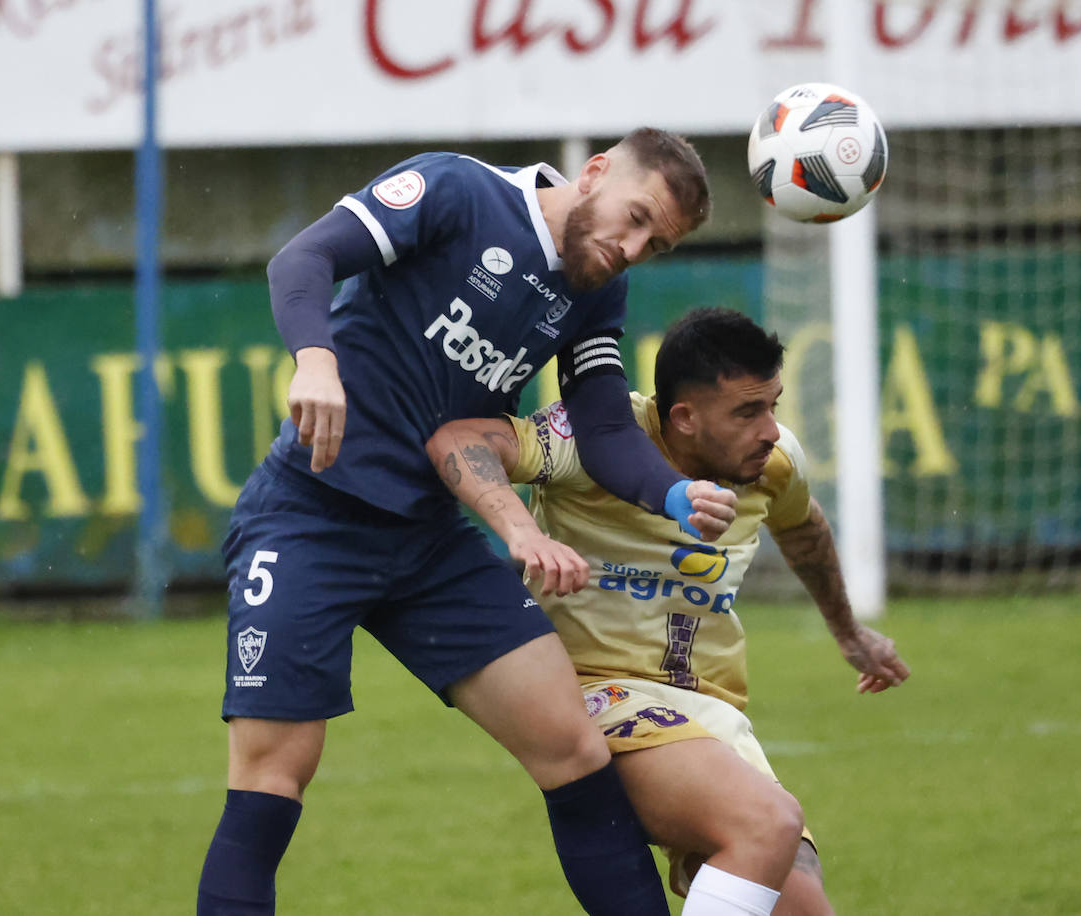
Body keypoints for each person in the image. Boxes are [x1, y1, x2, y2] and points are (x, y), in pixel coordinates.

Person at [196, 130, 742, 916]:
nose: (632, 247)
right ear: (594, 173)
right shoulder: (458, 191)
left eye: (656, 243)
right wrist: (314, 358)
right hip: (309, 517)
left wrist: (674, 496)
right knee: (272, 779)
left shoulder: (596, 290)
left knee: (575, 749)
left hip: (427, 541)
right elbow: (301, 260)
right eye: (634, 218)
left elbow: (605, 428)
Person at [425, 307, 911, 915]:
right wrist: (523, 534)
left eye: (773, 406)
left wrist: (848, 633)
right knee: (766, 823)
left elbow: (805, 531)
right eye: (747, 412)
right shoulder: (594, 439)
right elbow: (458, 440)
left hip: (710, 711)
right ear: (682, 417)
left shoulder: (774, 464)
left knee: (802, 900)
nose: (769, 429)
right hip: (592, 693)